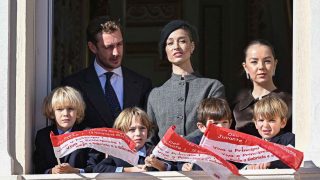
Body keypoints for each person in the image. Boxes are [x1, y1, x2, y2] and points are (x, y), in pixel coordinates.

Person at [62, 16, 152, 128]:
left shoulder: (142, 84)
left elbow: (150, 129)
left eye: (119, 44)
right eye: (108, 47)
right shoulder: (74, 85)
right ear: (92, 47)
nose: (116, 53)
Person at [147, 20, 225, 144]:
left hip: (202, 159)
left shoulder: (212, 87)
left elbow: (217, 126)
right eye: (170, 43)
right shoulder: (155, 95)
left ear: (192, 46)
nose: (176, 47)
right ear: (165, 50)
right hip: (165, 162)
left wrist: (183, 143)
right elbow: (150, 137)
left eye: (182, 41)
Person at [233, 39, 292, 137]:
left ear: (275, 64)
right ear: (245, 67)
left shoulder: (290, 103)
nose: (261, 67)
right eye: (254, 62)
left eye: (267, 61)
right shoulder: (235, 107)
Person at [88, 107, 173, 172]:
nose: (138, 134)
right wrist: (129, 170)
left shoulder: (156, 151)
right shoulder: (117, 153)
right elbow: (99, 169)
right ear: (122, 133)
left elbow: (174, 167)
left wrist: (160, 165)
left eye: (142, 128)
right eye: (132, 130)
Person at [34, 86, 91, 174]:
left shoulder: (88, 134)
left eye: (70, 109)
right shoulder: (43, 136)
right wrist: (52, 171)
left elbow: (95, 167)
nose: (65, 114)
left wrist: (75, 171)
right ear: (52, 112)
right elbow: (38, 167)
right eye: (60, 109)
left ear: (78, 111)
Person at [177, 97, 239, 171]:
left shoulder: (234, 144)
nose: (221, 126)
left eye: (225, 122)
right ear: (202, 127)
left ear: (230, 123)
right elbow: (180, 164)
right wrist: (184, 166)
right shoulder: (193, 144)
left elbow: (242, 164)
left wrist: (249, 167)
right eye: (215, 123)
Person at [246, 96, 294, 169]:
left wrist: (271, 163)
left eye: (271, 120)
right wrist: (248, 167)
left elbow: (293, 159)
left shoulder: (289, 139)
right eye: (261, 120)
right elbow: (241, 162)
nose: (265, 125)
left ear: (283, 122)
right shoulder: (253, 145)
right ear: (255, 123)